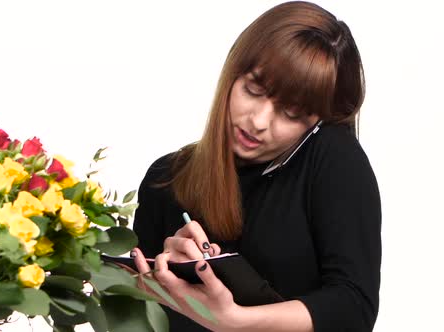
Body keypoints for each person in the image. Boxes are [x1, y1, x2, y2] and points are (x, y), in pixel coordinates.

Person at [130, 1, 381, 331]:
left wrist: (236, 320)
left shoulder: (332, 158)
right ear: (233, 73)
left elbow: (353, 307)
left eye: (291, 113)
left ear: (318, 120)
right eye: (253, 89)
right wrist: (162, 282)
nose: (259, 122)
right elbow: (135, 319)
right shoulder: (166, 179)